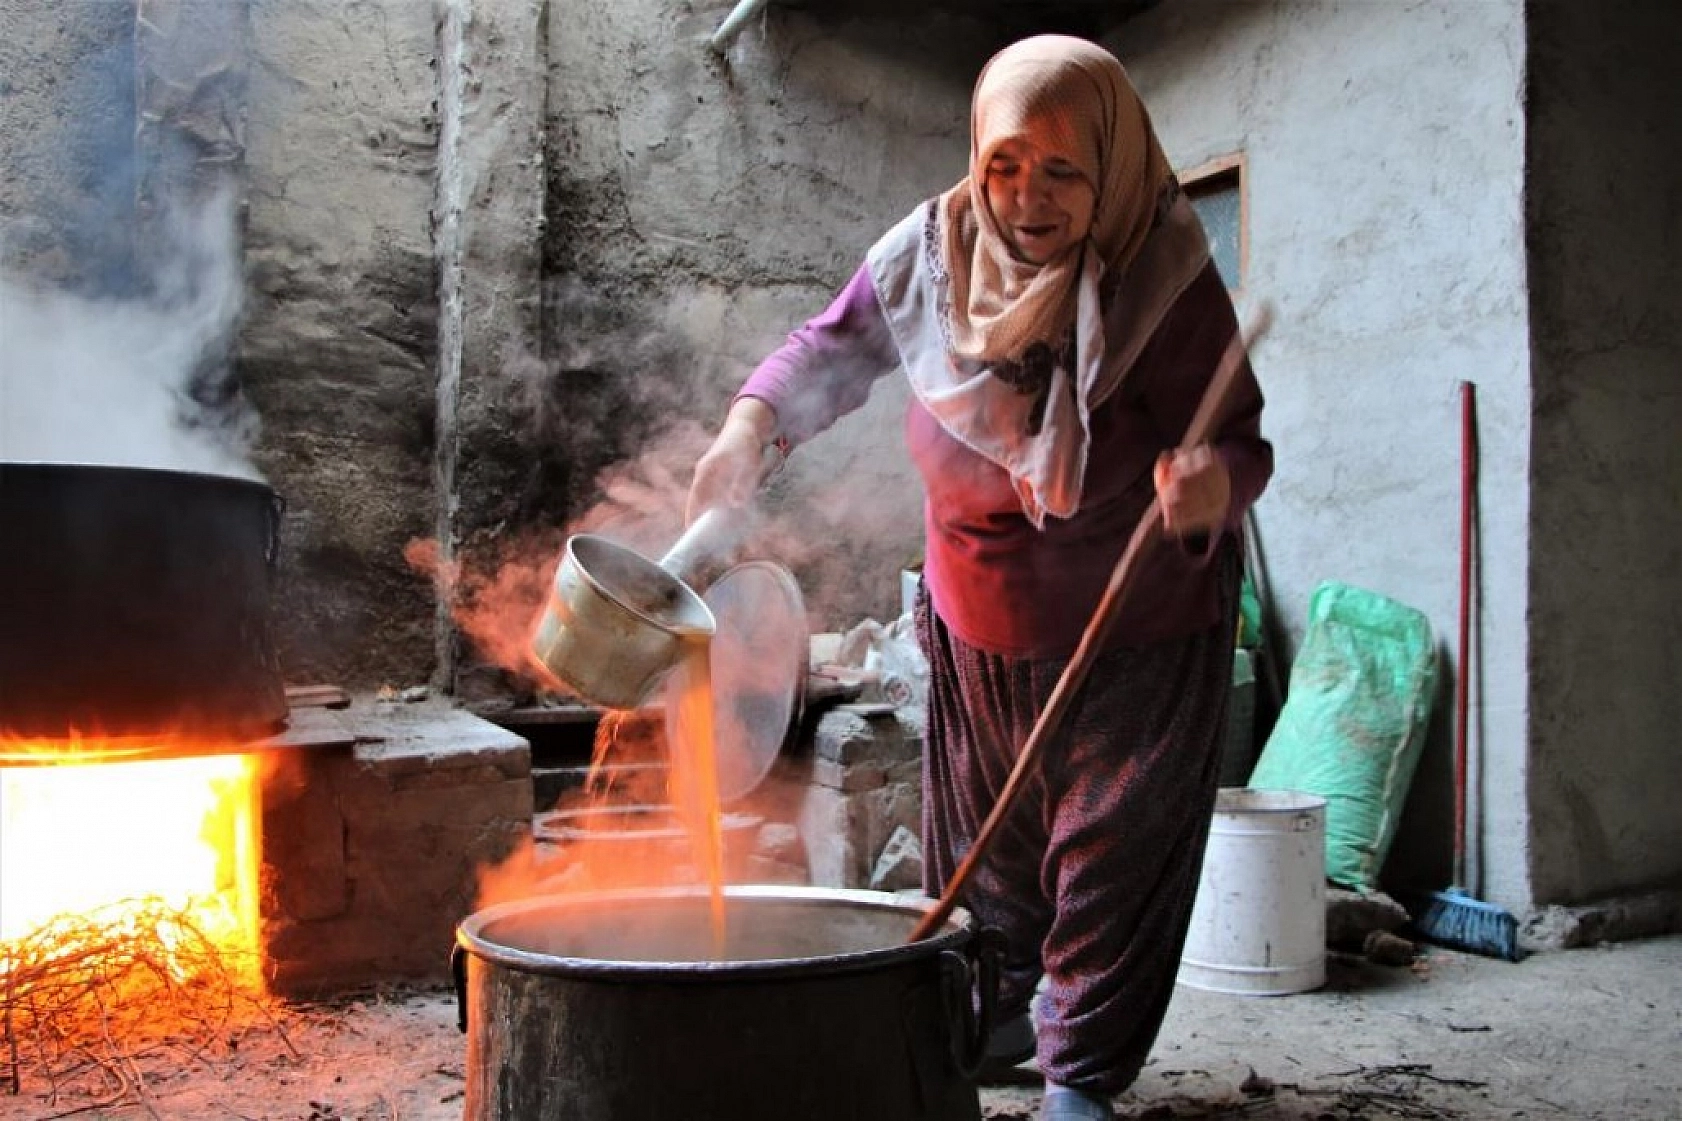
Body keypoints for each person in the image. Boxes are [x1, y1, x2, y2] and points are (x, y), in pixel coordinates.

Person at [685, 34, 1272, 1121]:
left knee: (1106, 853)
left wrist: (1207, 487)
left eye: (1062, 170)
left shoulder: (1160, 271)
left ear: (1111, 168)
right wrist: (750, 424)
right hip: (973, 617)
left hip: (1129, 629)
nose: (1026, 197)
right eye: (1006, 162)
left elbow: (1242, 446)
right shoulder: (928, 254)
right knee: (987, 852)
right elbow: (825, 349)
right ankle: (995, 1017)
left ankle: (1080, 1079)